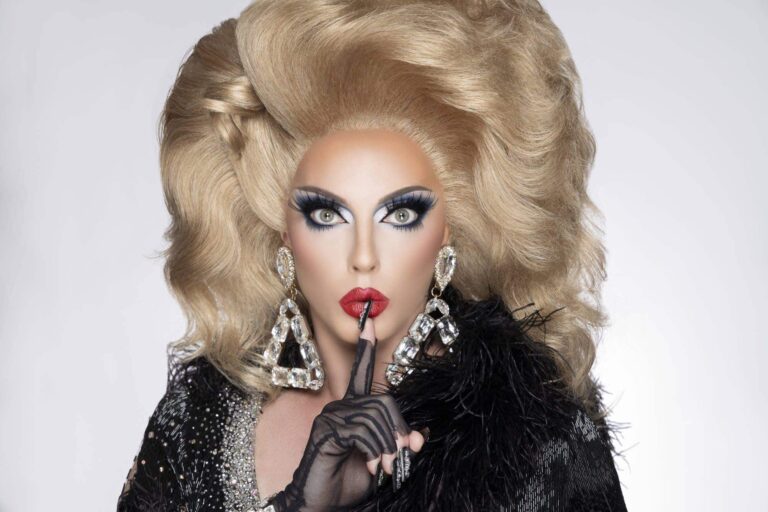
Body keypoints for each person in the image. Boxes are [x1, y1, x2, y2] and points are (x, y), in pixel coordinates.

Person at [117, 0, 628, 510]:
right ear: (283, 234)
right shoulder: (200, 417)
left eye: (400, 214)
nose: (363, 257)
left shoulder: (536, 437)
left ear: (447, 235)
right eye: (326, 214)